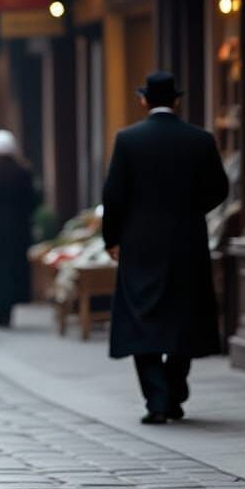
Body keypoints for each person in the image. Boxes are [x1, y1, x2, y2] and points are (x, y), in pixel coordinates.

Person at [102, 71, 229, 425]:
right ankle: (174, 391)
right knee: (182, 317)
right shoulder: (200, 139)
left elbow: (113, 195)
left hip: (139, 243)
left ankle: (157, 399)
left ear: (144, 100)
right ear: (177, 100)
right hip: (187, 240)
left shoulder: (128, 140)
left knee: (140, 319)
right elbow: (219, 188)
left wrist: (111, 239)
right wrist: (189, 210)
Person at [0, 130, 39, 329]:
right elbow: (33, 200)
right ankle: (8, 309)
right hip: (17, 230)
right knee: (13, 269)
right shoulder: (23, 172)